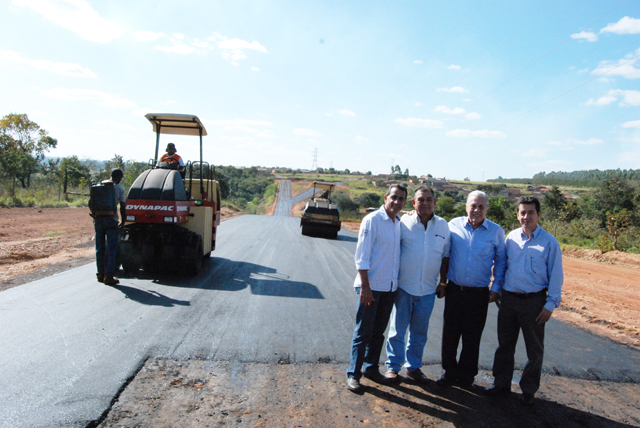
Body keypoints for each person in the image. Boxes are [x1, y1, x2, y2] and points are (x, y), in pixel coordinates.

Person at [482, 196, 563, 406]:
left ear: (538, 215)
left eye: (531, 213)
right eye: (523, 213)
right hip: (508, 300)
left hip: (534, 302)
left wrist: (550, 304)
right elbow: (502, 266)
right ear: (517, 215)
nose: (526, 217)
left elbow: (556, 275)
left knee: (534, 350)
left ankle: (528, 389)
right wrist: (497, 290)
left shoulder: (549, 243)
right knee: (504, 346)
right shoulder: (511, 238)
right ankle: (501, 384)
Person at [438, 190, 507, 390]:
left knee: (472, 337)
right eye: (473, 206)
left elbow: (501, 262)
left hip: (479, 294)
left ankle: (467, 375)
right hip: (454, 290)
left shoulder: (496, 231)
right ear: (466, 206)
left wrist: (496, 288)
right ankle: (449, 373)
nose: (476, 210)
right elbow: (445, 255)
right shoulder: (453, 225)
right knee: (449, 335)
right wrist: (442, 283)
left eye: (481, 206)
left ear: (487, 208)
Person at [384, 186, 450, 383]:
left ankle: (413, 367)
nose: (425, 203)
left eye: (429, 199)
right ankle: (393, 366)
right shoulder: (403, 222)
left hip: (428, 290)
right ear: (413, 203)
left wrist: (443, 282)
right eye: (420, 200)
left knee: (419, 333)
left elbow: (445, 256)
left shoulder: (443, 226)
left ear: (435, 202)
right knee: (397, 330)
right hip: (404, 287)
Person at [347, 184, 407, 392]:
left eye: (401, 199)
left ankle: (371, 369)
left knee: (378, 332)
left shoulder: (399, 223)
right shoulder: (372, 221)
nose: (397, 202)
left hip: (389, 289)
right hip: (371, 287)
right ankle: (353, 374)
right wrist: (365, 287)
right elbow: (361, 257)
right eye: (394, 197)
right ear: (385, 197)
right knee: (363, 331)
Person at [94, 168, 126, 286]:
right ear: (119, 177)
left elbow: (90, 203)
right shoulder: (119, 189)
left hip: (98, 220)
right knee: (112, 249)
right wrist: (123, 220)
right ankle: (109, 276)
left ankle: (100, 274)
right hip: (111, 220)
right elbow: (122, 206)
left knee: (99, 248)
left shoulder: (98, 186)